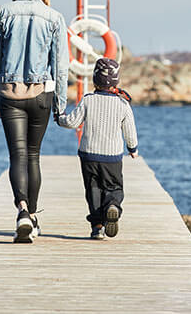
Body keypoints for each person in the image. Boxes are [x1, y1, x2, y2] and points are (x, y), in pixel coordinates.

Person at [0, 0, 69, 243]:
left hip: (9, 93)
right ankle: (31, 216)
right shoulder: (54, 17)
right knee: (33, 156)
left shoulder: (1, 12)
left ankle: (22, 210)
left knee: (17, 156)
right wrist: (60, 104)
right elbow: (60, 66)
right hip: (41, 94)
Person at [56, 57, 138, 239]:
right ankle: (112, 205)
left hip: (89, 155)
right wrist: (133, 149)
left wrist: (59, 117)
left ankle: (97, 226)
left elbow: (72, 122)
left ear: (94, 79)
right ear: (116, 81)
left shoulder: (88, 100)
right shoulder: (123, 104)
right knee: (114, 186)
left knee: (93, 189)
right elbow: (130, 132)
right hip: (112, 157)